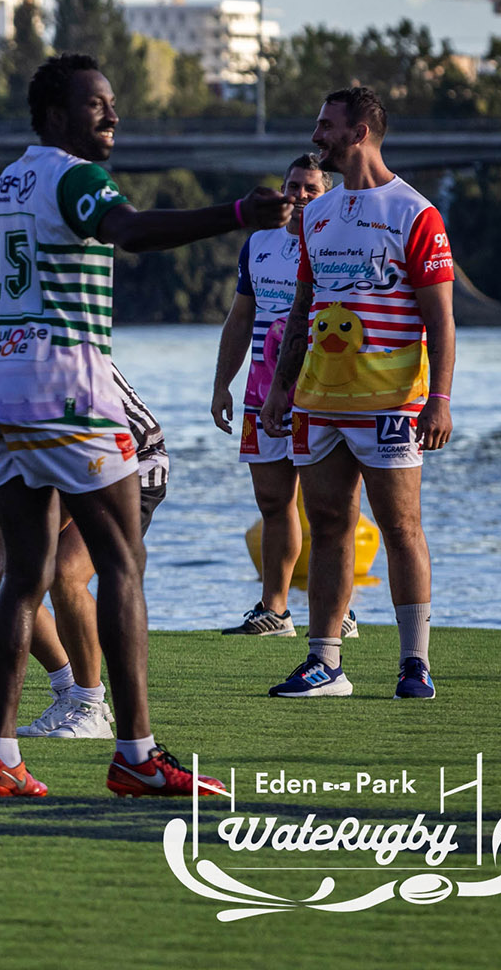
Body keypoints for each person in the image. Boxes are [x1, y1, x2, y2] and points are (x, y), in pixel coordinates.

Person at [0, 53, 289, 799]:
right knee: (121, 565)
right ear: (55, 116)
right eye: (96, 105)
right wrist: (237, 214)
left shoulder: (8, 180)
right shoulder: (74, 176)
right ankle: (137, 755)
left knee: (21, 577)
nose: (112, 117)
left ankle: (1, 757)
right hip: (67, 396)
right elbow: (131, 231)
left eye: (113, 105)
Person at [260, 87, 454, 700]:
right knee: (328, 524)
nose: (317, 135)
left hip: (391, 403)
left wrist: (441, 399)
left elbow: (441, 318)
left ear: (361, 132)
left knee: (400, 528)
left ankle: (414, 664)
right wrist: (281, 386)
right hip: (318, 400)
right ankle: (325, 664)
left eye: (327, 126)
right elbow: (301, 308)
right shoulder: (316, 213)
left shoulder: (413, 212)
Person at [0, 283, 171, 742]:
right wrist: (7, 554)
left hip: (129, 463)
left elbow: (101, 448)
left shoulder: (63, 359)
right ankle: (70, 692)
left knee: (67, 572)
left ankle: (92, 707)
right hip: (60, 466)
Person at [211, 155, 355, 639]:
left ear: (329, 194)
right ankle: (275, 611)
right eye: (293, 186)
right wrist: (220, 385)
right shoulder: (258, 244)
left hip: (322, 389)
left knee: (328, 505)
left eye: (311, 188)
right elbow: (240, 318)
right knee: (274, 501)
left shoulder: (340, 242)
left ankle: (341, 611)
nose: (299, 196)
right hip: (260, 392)